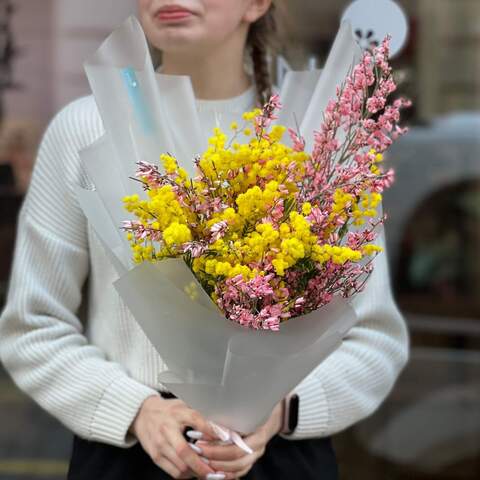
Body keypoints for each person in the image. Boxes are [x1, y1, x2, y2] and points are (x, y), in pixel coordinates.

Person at [0, 1, 410, 479]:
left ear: (257, 4)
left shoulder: (322, 142)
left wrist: (281, 411)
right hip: (130, 452)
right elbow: (32, 323)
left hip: (280, 455)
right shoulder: (86, 129)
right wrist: (136, 410)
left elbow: (374, 336)